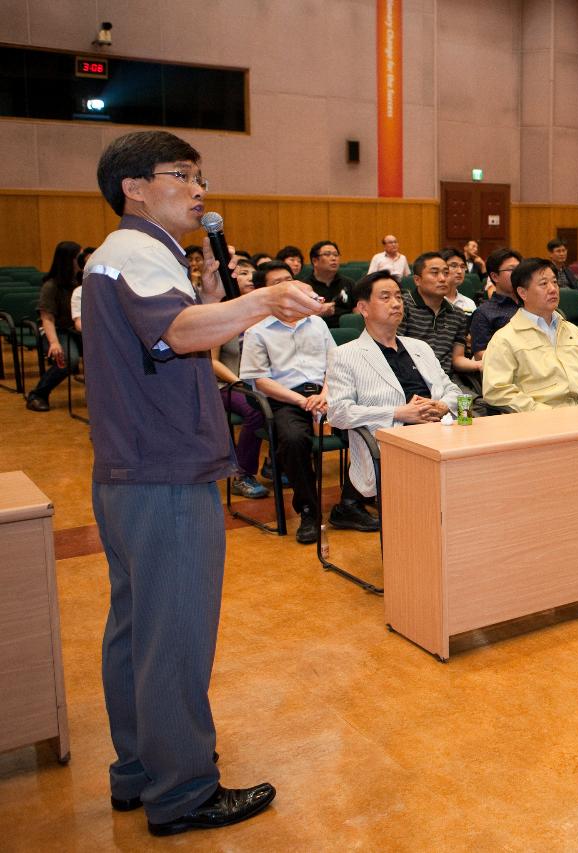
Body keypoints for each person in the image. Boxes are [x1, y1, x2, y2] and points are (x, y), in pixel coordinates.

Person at [84, 129, 320, 836]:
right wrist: (262, 301)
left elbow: (171, 335)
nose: (198, 189)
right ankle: (184, 790)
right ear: (133, 186)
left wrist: (214, 296)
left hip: (129, 469)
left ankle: (139, 769)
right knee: (177, 632)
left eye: (200, 177)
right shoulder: (134, 250)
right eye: (181, 175)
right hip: (164, 470)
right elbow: (177, 336)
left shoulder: (133, 255)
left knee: (137, 628)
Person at [240, 278, 360, 543]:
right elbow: (260, 381)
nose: (315, 302)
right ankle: (308, 511)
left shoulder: (317, 323)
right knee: (294, 440)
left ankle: (352, 503)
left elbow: (335, 363)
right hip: (285, 397)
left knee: (368, 427)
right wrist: (301, 401)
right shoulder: (257, 331)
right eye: (309, 297)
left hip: (327, 392)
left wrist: (324, 395)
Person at [326, 271, 459, 499]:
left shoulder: (420, 347)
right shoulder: (345, 355)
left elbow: (453, 390)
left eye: (398, 297)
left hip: (441, 434)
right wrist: (400, 413)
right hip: (393, 444)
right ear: (364, 308)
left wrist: (441, 406)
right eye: (385, 297)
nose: (396, 303)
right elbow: (339, 413)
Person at [212, 263, 296, 499]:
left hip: (263, 381)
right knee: (257, 409)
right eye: (242, 273)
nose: (248, 277)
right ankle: (243, 475)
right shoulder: (221, 313)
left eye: (251, 272)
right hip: (229, 384)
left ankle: (275, 464)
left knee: (287, 403)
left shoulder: (270, 314)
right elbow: (212, 361)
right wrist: (243, 381)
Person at [481, 257, 578, 411]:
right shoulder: (505, 339)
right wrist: (542, 412)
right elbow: (497, 391)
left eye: (555, 282)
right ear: (523, 293)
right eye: (543, 284)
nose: (553, 289)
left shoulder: (572, 331)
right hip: (540, 422)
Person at [399, 251, 483, 393]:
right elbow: (395, 354)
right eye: (435, 273)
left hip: (446, 382)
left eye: (445, 273)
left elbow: (457, 359)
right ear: (417, 280)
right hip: (411, 381)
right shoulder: (402, 306)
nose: (443, 278)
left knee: (476, 409)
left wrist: (481, 364)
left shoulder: (457, 314)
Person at [25, 240, 82, 412]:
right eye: (78, 257)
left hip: (75, 330)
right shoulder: (51, 286)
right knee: (67, 359)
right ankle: (38, 394)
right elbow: (47, 318)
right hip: (54, 332)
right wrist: (54, 343)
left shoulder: (80, 282)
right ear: (69, 260)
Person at [469, 247, 522, 356]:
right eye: (512, 269)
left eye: (520, 269)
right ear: (495, 276)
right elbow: (480, 354)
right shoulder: (483, 312)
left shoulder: (532, 305)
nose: (518, 274)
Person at [303, 240, 355, 328]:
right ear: (315, 261)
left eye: (336, 254)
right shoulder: (305, 287)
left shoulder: (349, 283)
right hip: (315, 331)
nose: (333, 258)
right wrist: (318, 313)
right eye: (327, 254)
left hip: (345, 331)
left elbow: (357, 310)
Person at [440, 247, 477, 312]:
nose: (460, 271)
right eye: (454, 266)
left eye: (462, 267)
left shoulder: (469, 304)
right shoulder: (433, 301)